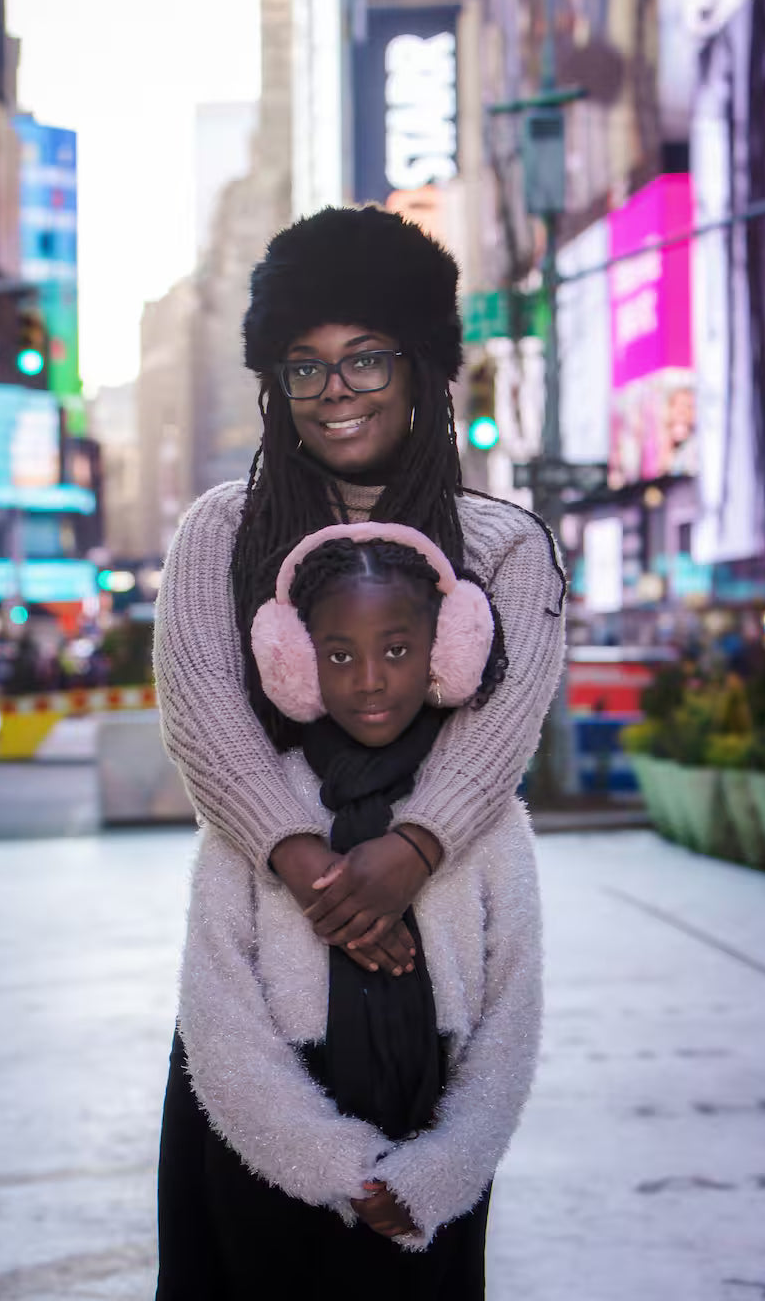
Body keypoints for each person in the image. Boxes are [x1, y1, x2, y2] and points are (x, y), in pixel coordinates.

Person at [153, 206, 566, 1295]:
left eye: (367, 358)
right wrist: (314, 872)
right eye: (306, 367)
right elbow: (202, 712)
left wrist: (413, 851)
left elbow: (501, 731)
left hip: (434, 1005)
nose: (337, 391)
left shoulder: (507, 546)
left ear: (425, 365)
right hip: (257, 990)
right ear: (273, 383)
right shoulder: (218, 533)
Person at [173, 525, 542, 1298]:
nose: (370, 679)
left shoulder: (487, 822)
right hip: (270, 1161)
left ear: (448, 654)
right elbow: (219, 1023)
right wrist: (334, 1166)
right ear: (295, 664)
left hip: (428, 1165)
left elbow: (512, 1021)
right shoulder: (258, 818)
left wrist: (439, 1174)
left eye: (399, 650)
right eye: (340, 655)